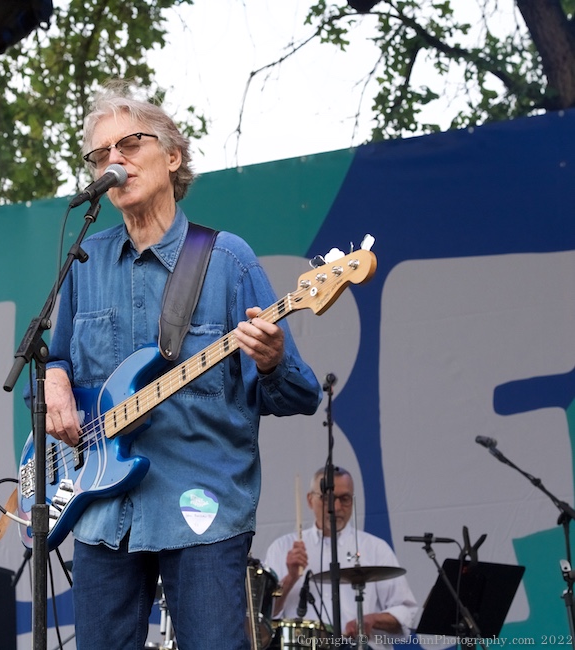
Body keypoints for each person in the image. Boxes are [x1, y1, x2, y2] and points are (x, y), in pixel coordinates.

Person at [41, 80, 323, 649]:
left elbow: (299, 395)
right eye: (100, 155)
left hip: (200, 505)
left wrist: (270, 362)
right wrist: (53, 378)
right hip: (100, 507)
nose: (113, 161)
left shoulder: (226, 259)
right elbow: (56, 353)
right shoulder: (83, 260)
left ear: (173, 156)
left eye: (129, 146)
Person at [264, 466, 418, 649]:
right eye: (327, 498)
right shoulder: (282, 548)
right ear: (310, 500)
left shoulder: (375, 548)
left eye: (344, 499)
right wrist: (290, 578)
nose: (336, 507)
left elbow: (406, 610)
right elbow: (263, 616)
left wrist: (371, 619)